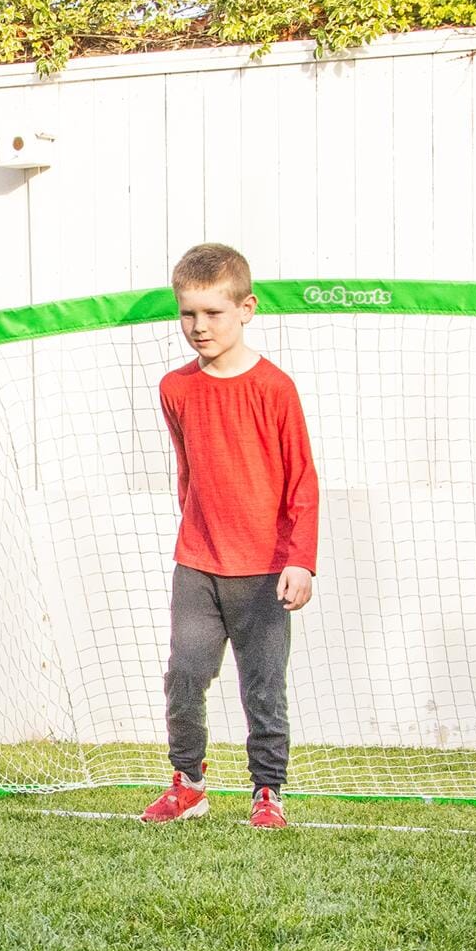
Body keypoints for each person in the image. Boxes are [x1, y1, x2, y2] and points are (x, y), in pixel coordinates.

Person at [143, 242, 318, 831]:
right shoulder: (175, 388)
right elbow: (188, 472)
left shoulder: (275, 388)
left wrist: (301, 560)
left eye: (213, 313)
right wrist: (197, 533)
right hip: (197, 565)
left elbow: (302, 480)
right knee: (185, 675)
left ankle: (267, 791)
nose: (199, 326)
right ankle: (188, 784)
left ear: (246, 309)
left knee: (263, 687)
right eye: (188, 313)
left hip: (265, 570)